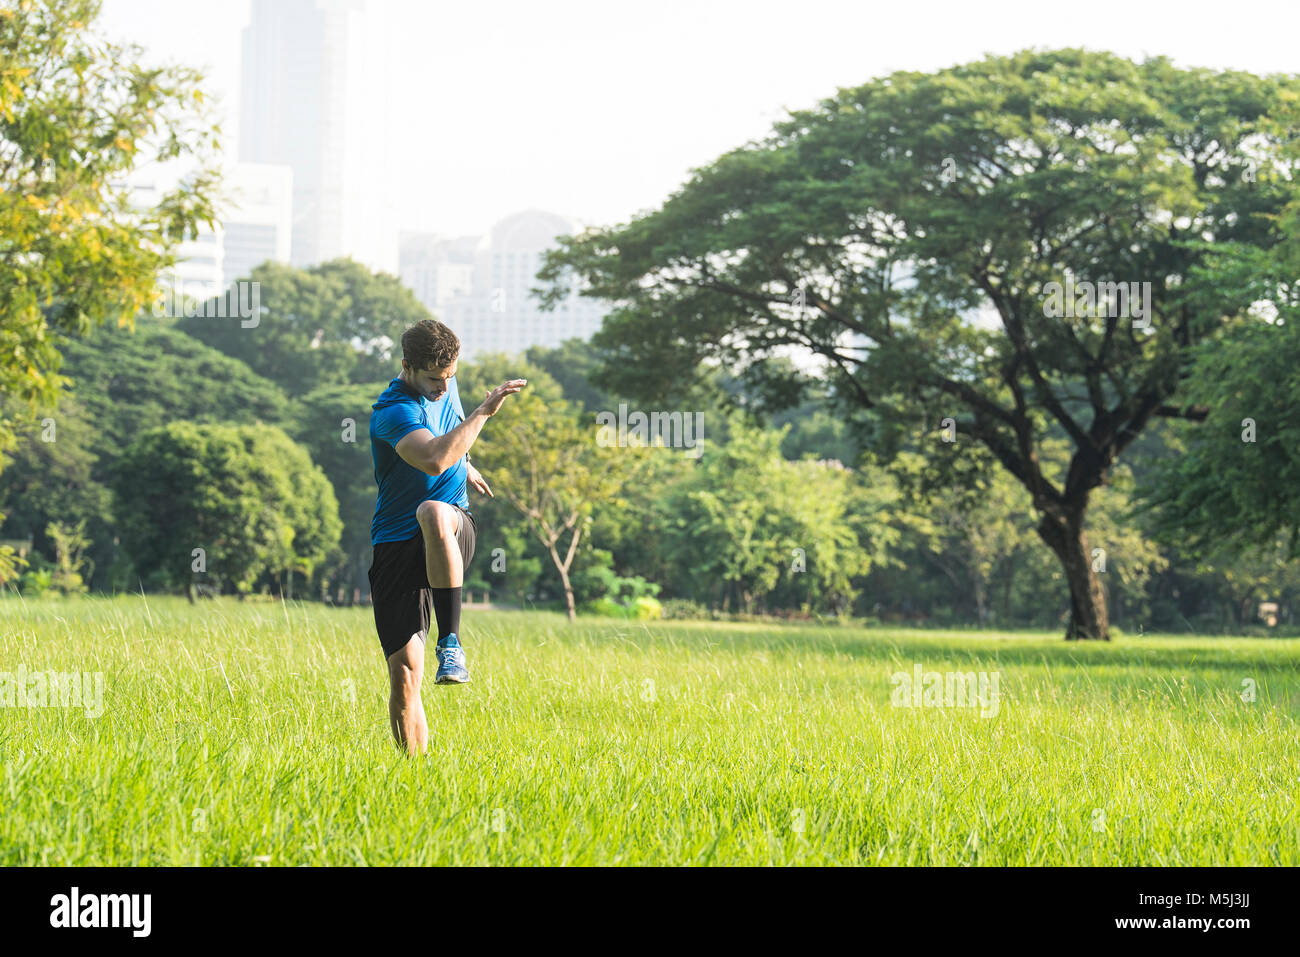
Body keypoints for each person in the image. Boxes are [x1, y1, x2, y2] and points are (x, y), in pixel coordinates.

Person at [367, 318, 526, 754]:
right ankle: (412, 775)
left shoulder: (444, 383)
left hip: (452, 527)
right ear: (407, 366)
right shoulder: (392, 411)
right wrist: (483, 414)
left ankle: (451, 643)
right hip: (395, 543)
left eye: (449, 378)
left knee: (434, 510)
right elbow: (435, 458)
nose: (443, 387)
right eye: (435, 379)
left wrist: (466, 464)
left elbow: (449, 446)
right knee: (404, 676)